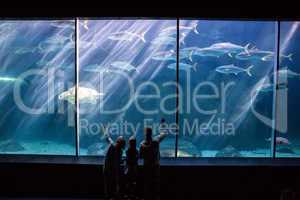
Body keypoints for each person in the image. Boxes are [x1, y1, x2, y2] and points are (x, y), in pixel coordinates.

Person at [139, 125, 168, 200]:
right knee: (156, 183)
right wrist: (163, 130)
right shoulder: (156, 140)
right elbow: (164, 134)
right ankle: (156, 197)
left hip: (147, 166)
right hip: (155, 165)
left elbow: (141, 156)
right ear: (151, 133)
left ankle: (147, 196)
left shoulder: (142, 144)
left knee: (147, 183)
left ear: (145, 134)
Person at [103, 125, 126, 200]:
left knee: (108, 185)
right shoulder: (118, 150)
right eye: (123, 144)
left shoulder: (113, 144)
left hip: (107, 168)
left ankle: (109, 196)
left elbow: (107, 137)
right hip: (111, 170)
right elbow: (117, 162)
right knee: (112, 185)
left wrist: (105, 130)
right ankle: (112, 197)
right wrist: (124, 160)